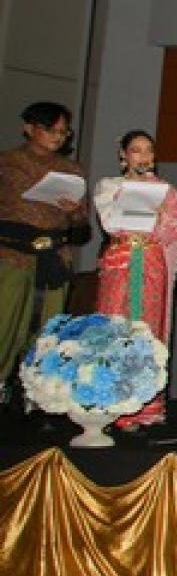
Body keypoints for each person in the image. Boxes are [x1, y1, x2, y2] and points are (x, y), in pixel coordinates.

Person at [92, 130, 177, 431]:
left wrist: (162, 217)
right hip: (121, 261)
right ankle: (111, 405)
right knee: (116, 326)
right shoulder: (109, 186)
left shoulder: (166, 191)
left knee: (147, 328)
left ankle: (144, 406)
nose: (144, 157)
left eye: (149, 151)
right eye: (136, 150)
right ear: (123, 155)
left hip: (150, 262)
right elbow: (111, 223)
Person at [0, 103, 89, 415]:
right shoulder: (8, 162)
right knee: (6, 322)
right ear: (29, 128)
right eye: (51, 130)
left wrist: (74, 212)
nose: (58, 137)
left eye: (64, 132)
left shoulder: (72, 170)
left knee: (50, 328)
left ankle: (38, 394)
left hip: (54, 255)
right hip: (12, 253)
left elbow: (82, 227)